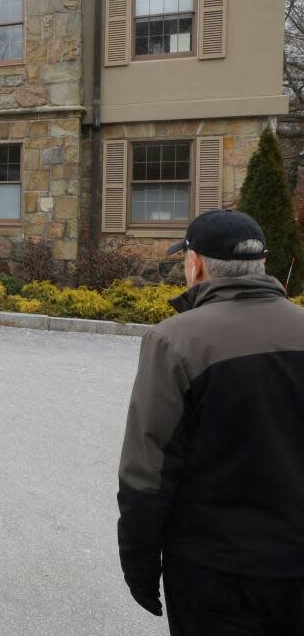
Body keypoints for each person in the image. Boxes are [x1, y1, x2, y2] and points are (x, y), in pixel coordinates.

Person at [117, 209, 304, 634]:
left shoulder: (176, 340)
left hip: (215, 569)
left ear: (196, 262)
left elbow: (147, 471)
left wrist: (140, 567)